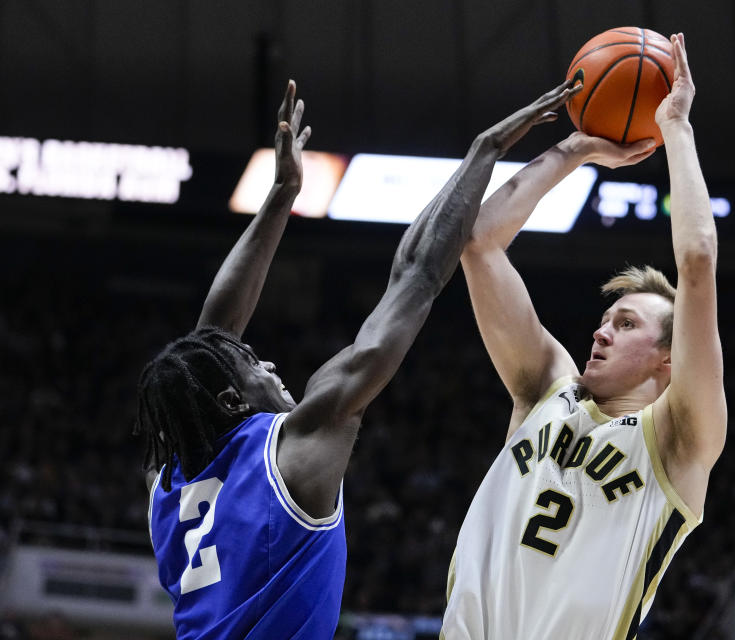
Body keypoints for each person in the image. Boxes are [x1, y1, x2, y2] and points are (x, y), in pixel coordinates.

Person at [136, 78, 581, 640]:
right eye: (256, 365)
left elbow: (209, 345)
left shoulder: (166, 482)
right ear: (230, 399)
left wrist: (281, 197)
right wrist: (485, 150)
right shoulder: (294, 448)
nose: (272, 367)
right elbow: (415, 277)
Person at [442, 33, 726, 639]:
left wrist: (674, 126)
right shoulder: (546, 388)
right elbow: (479, 242)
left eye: (626, 325)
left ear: (669, 359)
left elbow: (698, 260)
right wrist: (575, 148)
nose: (600, 333)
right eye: (604, 320)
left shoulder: (678, 441)